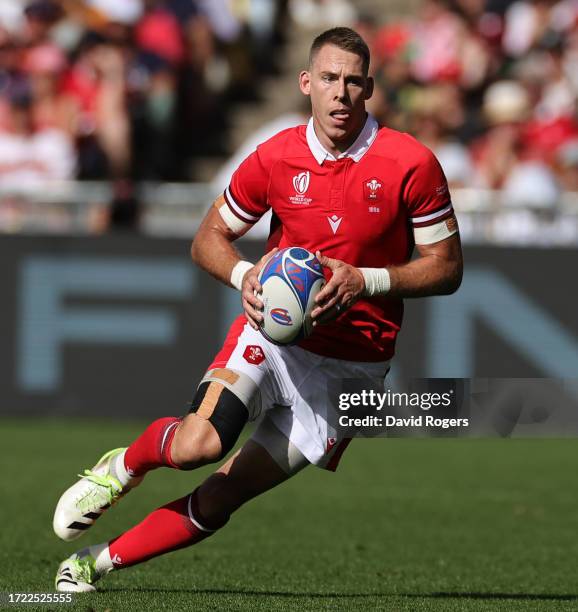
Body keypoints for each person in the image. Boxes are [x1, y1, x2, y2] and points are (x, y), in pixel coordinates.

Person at [53, 27, 463, 592]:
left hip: (353, 373)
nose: (340, 93)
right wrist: (247, 275)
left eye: (351, 81)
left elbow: (447, 267)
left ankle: (93, 565)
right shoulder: (276, 157)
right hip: (272, 339)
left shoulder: (410, 163)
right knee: (201, 444)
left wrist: (365, 280)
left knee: (222, 497)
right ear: (306, 84)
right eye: (328, 79)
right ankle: (123, 468)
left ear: (368, 88)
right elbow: (208, 239)